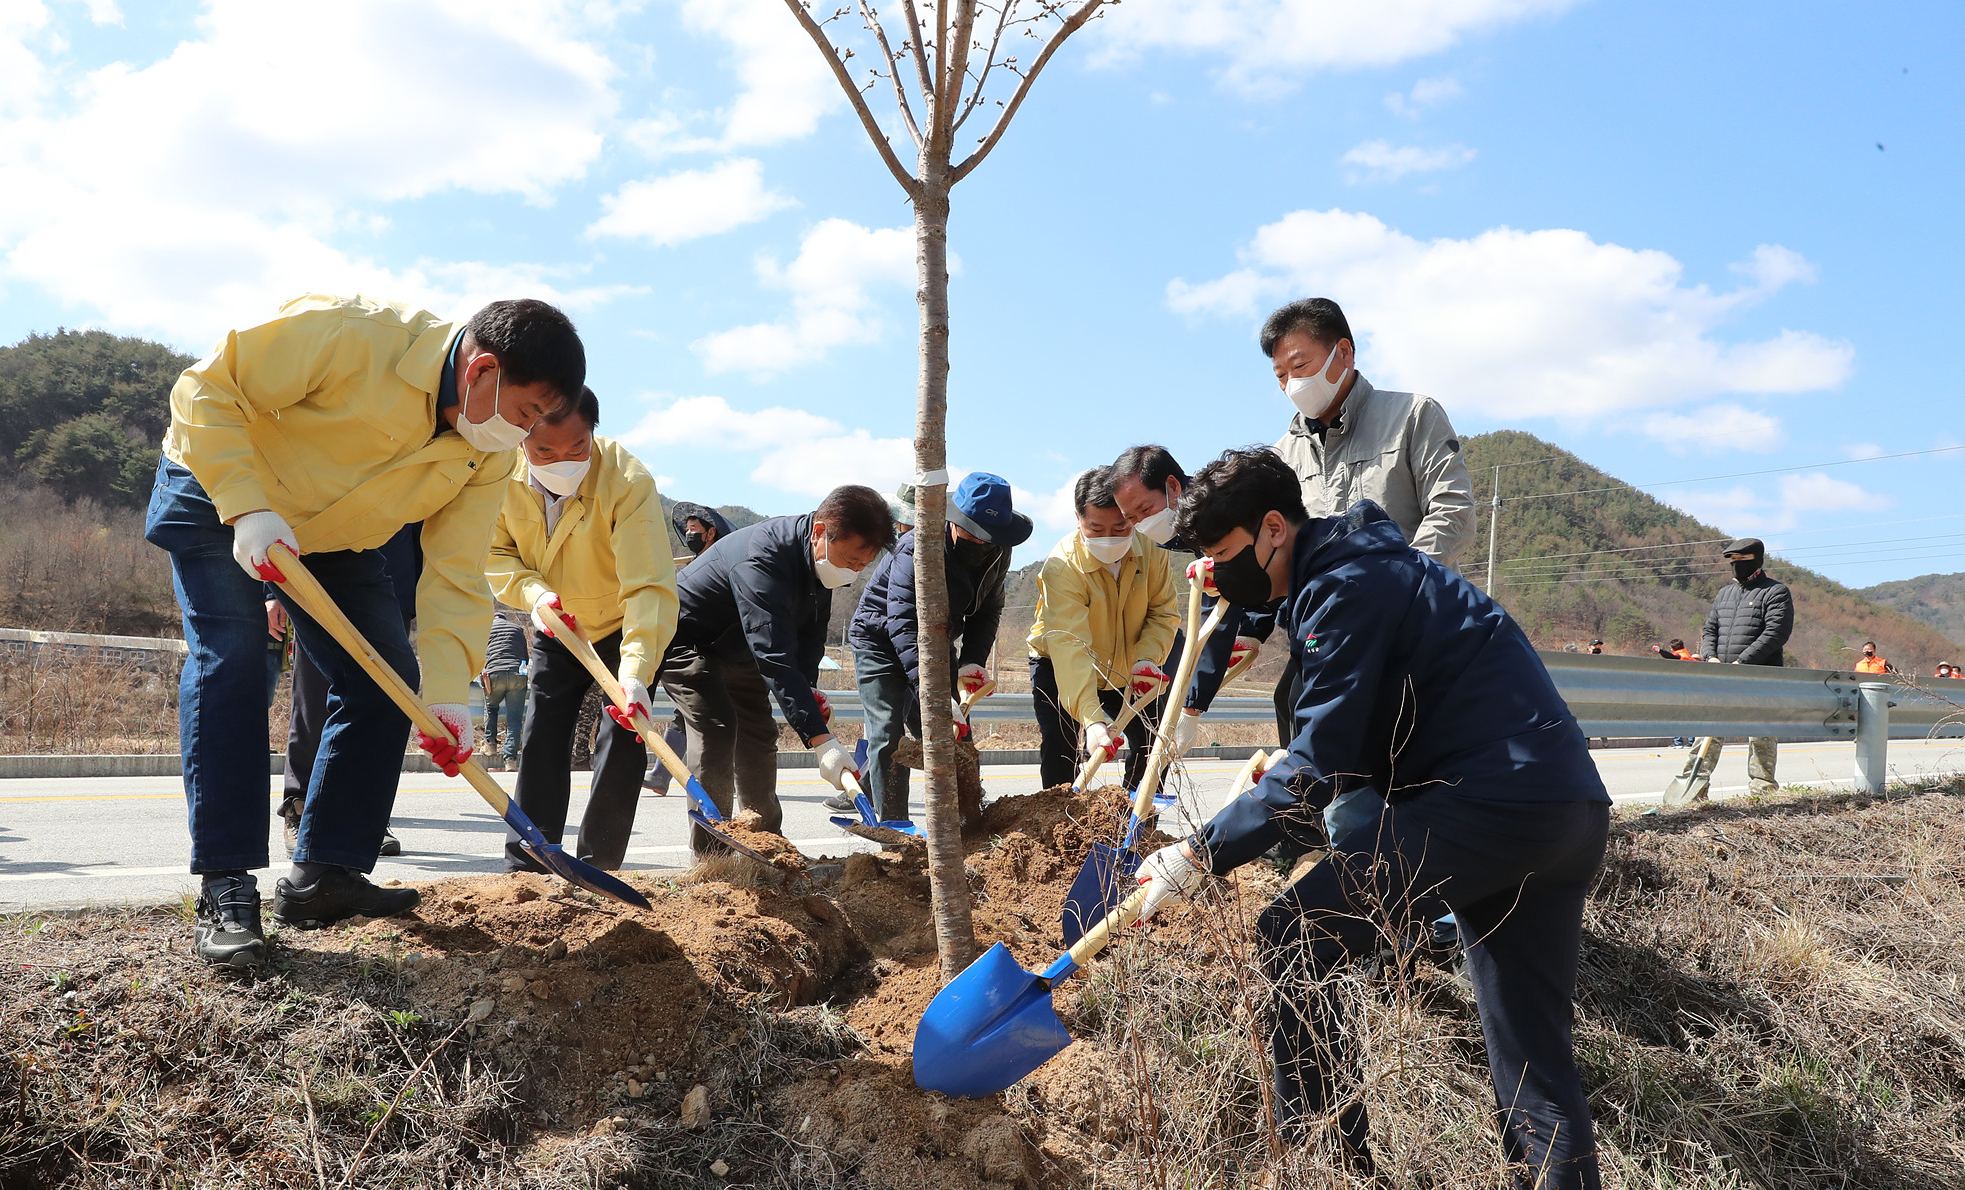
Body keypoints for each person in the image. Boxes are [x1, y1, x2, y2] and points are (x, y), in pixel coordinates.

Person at [1135, 447, 1608, 1187]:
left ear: (1273, 528)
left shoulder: (1344, 586)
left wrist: (1199, 852)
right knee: (1532, 1059)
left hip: (1487, 804)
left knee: (1295, 932)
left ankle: (1330, 1167)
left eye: (1225, 555)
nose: (1221, 575)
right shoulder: (1367, 567)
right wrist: (1277, 772)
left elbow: (1322, 764)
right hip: (1564, 808)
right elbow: (1348, 740)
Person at [144, 292, 584, 967]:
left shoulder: (488, 454)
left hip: (334, 534)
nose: (525, 434)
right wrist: (247, 506)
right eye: (525, 413)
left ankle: (325, 873)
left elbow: (455, 572)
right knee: (233, 658)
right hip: (221, 490)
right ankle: (226, 884)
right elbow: (205, 389)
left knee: (388, 681)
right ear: (482, 371)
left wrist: (446, 694)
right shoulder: (355, 336)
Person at [1264, 298, 1477, 843]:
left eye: (1300, 365)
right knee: (1313, 742)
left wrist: (1400, 588)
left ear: (1344, 352)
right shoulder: (1283, 455)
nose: (1292, 383)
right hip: (1327, 641)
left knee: (1410, 770)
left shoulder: (1412, 415)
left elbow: (1454, 513)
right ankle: (1323, 859)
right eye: (1281, 374)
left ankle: (1421, 877)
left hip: (1410, 630)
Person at [486, 388, 678, 873]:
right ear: (521, 437)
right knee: (542, 733)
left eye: (577, 447)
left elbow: (649, 585)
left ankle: (599, 864)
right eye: (545, 451)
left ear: (593, 431)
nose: (564, 461)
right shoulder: (497, 472)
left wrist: (635, 671)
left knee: (624, 734)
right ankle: (529, 860)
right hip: (557, 622)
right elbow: (494, 553)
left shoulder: (627, 480)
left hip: (623, 626)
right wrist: (534, 596)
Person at [661, 485, 893, 853]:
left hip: (741, 646)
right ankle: (713, 856)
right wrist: (820, 740)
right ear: (820, 533)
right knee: (717, 727)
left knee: (758, 734)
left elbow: (810, 636)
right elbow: (774, 654)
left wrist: (809, 691)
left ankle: (767, 844)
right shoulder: (763, 557)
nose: (853, 572)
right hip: (688, 639)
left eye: (862, 566)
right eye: (851, 560)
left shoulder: (819, 563)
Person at [838, 472, 1030, 819]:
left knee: (957, 733)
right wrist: (935, 695)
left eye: (987, 537)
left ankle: (968, 819)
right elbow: (903, 622)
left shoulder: (999, 552)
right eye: (970, 533)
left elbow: (988, 610)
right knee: (889, 732)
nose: (979, 542)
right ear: (954, 519)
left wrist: (972, 660)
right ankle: (893, 827)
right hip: (881, 638)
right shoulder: (917, 547)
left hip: (937, 639)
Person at [1110, 444, 1270, 756]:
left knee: (1296, 698)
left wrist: (1191, 710)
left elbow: (1218, 613)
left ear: (1173, 486)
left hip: (1324, 589)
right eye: (1131, 517)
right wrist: (1253, 628)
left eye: (1145, 510)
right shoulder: (1197, 515)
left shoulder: (1213, 511)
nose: (1141, 523)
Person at [1027, 467, 1178, 790]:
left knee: (1153, 740)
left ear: (1132, 518)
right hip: (1060, 663)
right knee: (1060, 743)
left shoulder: (1153, 549)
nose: (1109, 537)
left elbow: (1163, 613)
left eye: (1120, 527)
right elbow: (1069, 645)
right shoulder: (1062, 566)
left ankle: (1136, 811)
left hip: (1131, 665)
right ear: (1078, 519)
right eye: (1096, 528)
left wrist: (1147, 658)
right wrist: (1092, 720)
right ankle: (1058, 814)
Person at [276, 522, 419, 859]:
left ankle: (366, 817)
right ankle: (299, 804)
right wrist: (272, 593)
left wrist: (422, 593)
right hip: (321, 569)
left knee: (383, 706)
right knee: (314, 698)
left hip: (394, 581)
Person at [1673, 537, 1793, 801]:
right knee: (1708, 733)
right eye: (1732, 560)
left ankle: (1762, 791)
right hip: (1723, 676)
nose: (1736, 564)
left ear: (1757, 560)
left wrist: (1743, 661)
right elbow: (1710, 629)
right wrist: (1710, 657)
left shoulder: (1775, 592)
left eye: (1742, 560)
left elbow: (1776, 633)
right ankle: (1695, 788)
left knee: (1761, 735)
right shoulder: (1724, 594)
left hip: (1760, 676)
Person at [481, 609, 530, 771]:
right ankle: (510, 760)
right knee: (515, 718)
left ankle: (490, 745)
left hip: (495, 674)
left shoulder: (485, 629)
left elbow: (479, 655)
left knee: (491, 708)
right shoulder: (517, 629)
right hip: (517, 675)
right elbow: (525, 657)